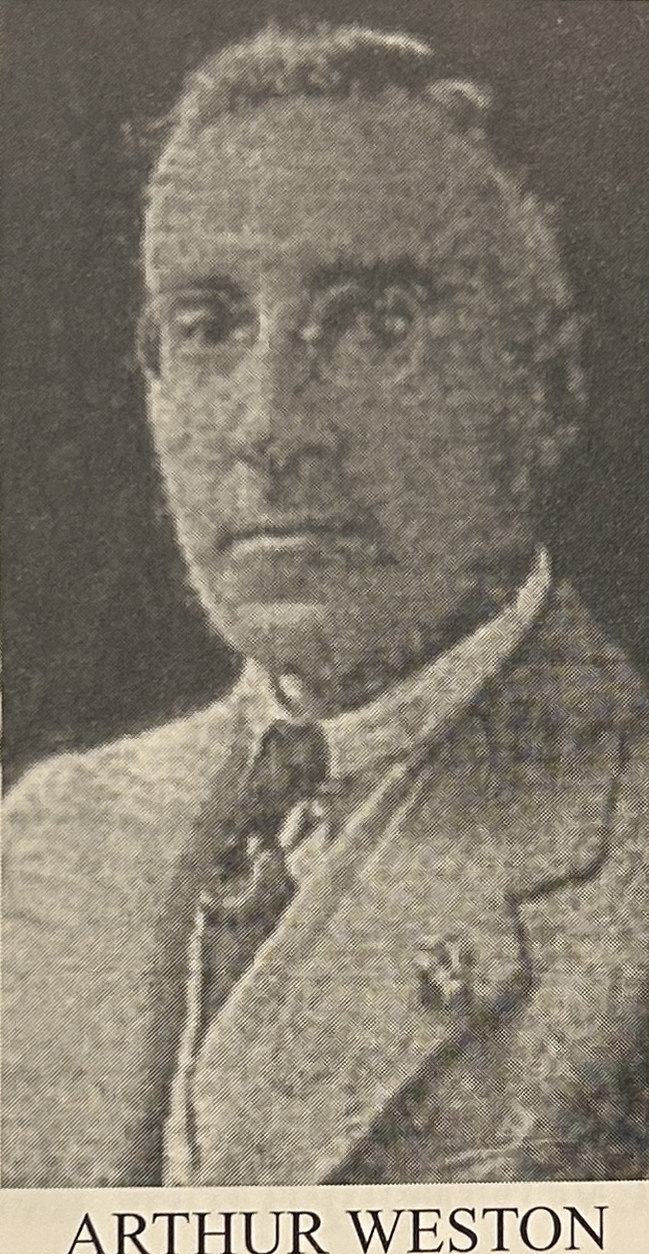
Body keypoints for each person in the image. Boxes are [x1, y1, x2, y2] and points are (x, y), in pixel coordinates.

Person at [3, 22, 648, 1188]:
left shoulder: (627, 859)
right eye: (209, 326)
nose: (268, 426)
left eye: (376, 322)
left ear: (545, 387)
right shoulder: (50, 838)